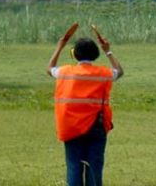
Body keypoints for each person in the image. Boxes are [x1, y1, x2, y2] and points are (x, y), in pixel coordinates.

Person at [47, 23, 124, 186]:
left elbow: (50, 68)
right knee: (94, 167)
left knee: (74, 166)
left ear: (75, 54)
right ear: (95, 54)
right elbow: (120, 71)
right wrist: (108, 50)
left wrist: (60, 46)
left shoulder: (65, 72)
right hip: (97, 126)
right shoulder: (103, 73)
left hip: (71, 127)